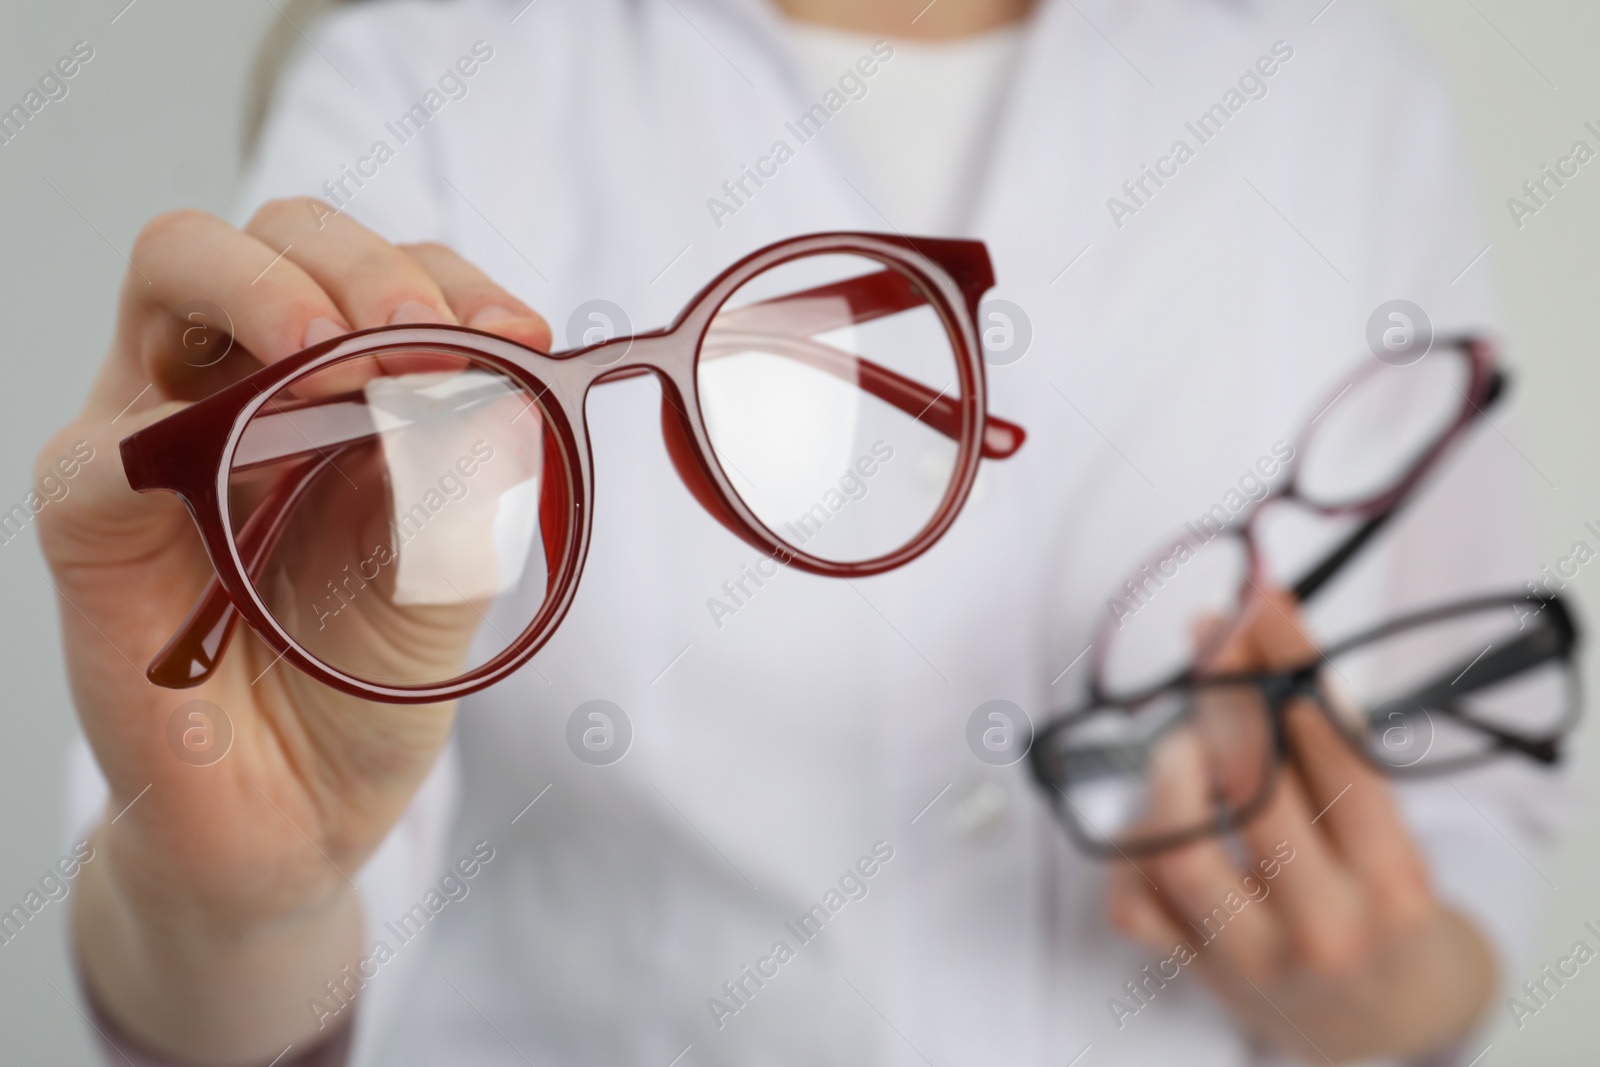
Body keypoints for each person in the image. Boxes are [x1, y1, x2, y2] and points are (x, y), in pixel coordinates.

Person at [39, 0, 1578, 1064]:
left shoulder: (1340, 89)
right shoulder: (432, 69)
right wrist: (235, 899)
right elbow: (242, 978)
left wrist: (1381, 991)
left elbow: (1481, 792)